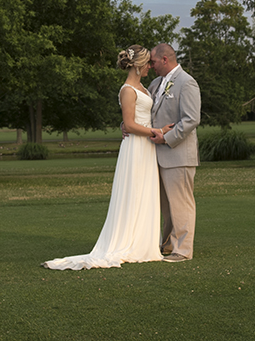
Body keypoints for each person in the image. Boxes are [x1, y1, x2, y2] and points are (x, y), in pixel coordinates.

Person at [43, 45, 164, 270]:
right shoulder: (127, 90)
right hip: (136, 147)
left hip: (147, 147)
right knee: (134, 191)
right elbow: (129, 124)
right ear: (138, 65)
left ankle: (144, 241)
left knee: (145, 191)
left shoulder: (144, 88)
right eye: (147, 63)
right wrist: (156, 132)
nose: (150, 66)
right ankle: (128, 242)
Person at [147, 43, 201, 262]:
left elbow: (191, 119)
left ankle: (183, 250)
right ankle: (168, 244)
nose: (150, 66)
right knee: (166, 205)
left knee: (181, 203)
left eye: (152, 62)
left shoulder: (187, 83)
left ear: (165, 60)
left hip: (178, 153)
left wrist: (166, 138)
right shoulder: (155, 83)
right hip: (156, 155)